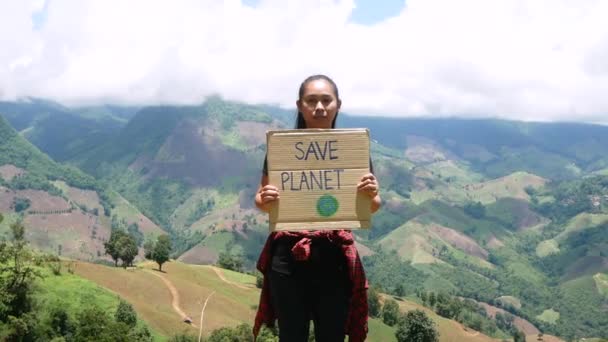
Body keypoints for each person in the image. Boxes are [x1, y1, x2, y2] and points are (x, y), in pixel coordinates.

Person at [252, 74, 382, 342]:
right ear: (300, 106)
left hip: (334, 260)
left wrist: (370, 194)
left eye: (326, 100)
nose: (319, 107)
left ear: (338, 104)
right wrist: (266, 199)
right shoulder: (282, 148)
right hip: (287, 260)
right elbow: (261, 200)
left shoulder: (353, 148)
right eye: (312, 101)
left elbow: (372, 205)